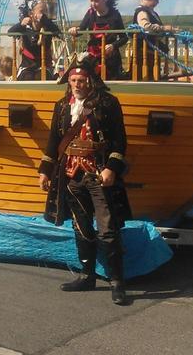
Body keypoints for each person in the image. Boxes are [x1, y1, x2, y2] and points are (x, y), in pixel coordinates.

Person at [38, 54, 132, 305]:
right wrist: (45, 170)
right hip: (71, 175)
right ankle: (87, 275)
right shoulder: (61, 106)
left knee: (108, 228)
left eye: (81, 80)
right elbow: (53, 141)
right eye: (73, 80)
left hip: (98, 174)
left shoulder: (108, 103)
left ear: (91, 81)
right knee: (80, 226)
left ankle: (116, 282)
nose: (77, 84)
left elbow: (120, 140)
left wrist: (111, 167)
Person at [69, 0, 127, 79]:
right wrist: (74, 30)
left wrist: (113, 46)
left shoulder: (115, 15)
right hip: (93, 54)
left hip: (109, 56)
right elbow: (81, 29)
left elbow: (124, 38)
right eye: (91, 1)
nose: (93, 4)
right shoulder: (90, 13)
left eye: (96, 1)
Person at [8, 0, 61, 80]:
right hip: (27, 66)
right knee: (27, 77)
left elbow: (58, 31)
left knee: (40, 76)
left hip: (44, 66)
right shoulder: (25, 28)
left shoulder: (47, 27)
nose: (43, 14)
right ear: (31, 14)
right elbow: (10, 32)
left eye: (45, 12)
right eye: (41, 11)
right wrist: (21, 24)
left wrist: (44, 19)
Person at [132, 0, 177, 81]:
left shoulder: (152, 12)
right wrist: (164, 28)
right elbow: (146, 26)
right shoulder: (142, 12)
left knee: (152, 75)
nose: (157, 2)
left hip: (151, 52)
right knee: (144, 76)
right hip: (144, 52)